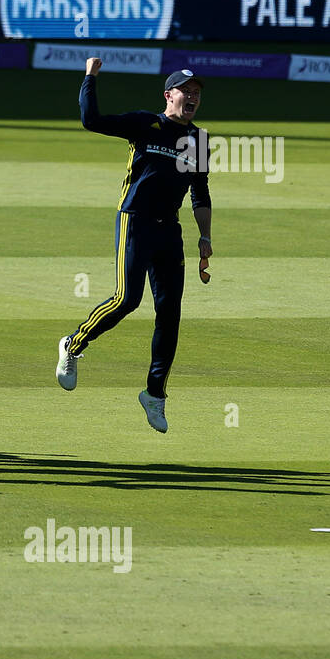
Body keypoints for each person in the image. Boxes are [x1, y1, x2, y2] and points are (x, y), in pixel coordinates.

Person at [55, 59, 213, 433]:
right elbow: (92, 121)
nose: (191, 99)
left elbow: (200, 192)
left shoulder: (199, 140)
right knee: (128, 299)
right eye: (185, 92)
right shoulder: (146, 123)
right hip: (135, 220)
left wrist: (205, 238)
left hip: (169, 231)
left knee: (170, 313)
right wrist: (90, 77)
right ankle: (73, 345)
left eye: (196, 95)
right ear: (168, 95)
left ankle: (154, 394)